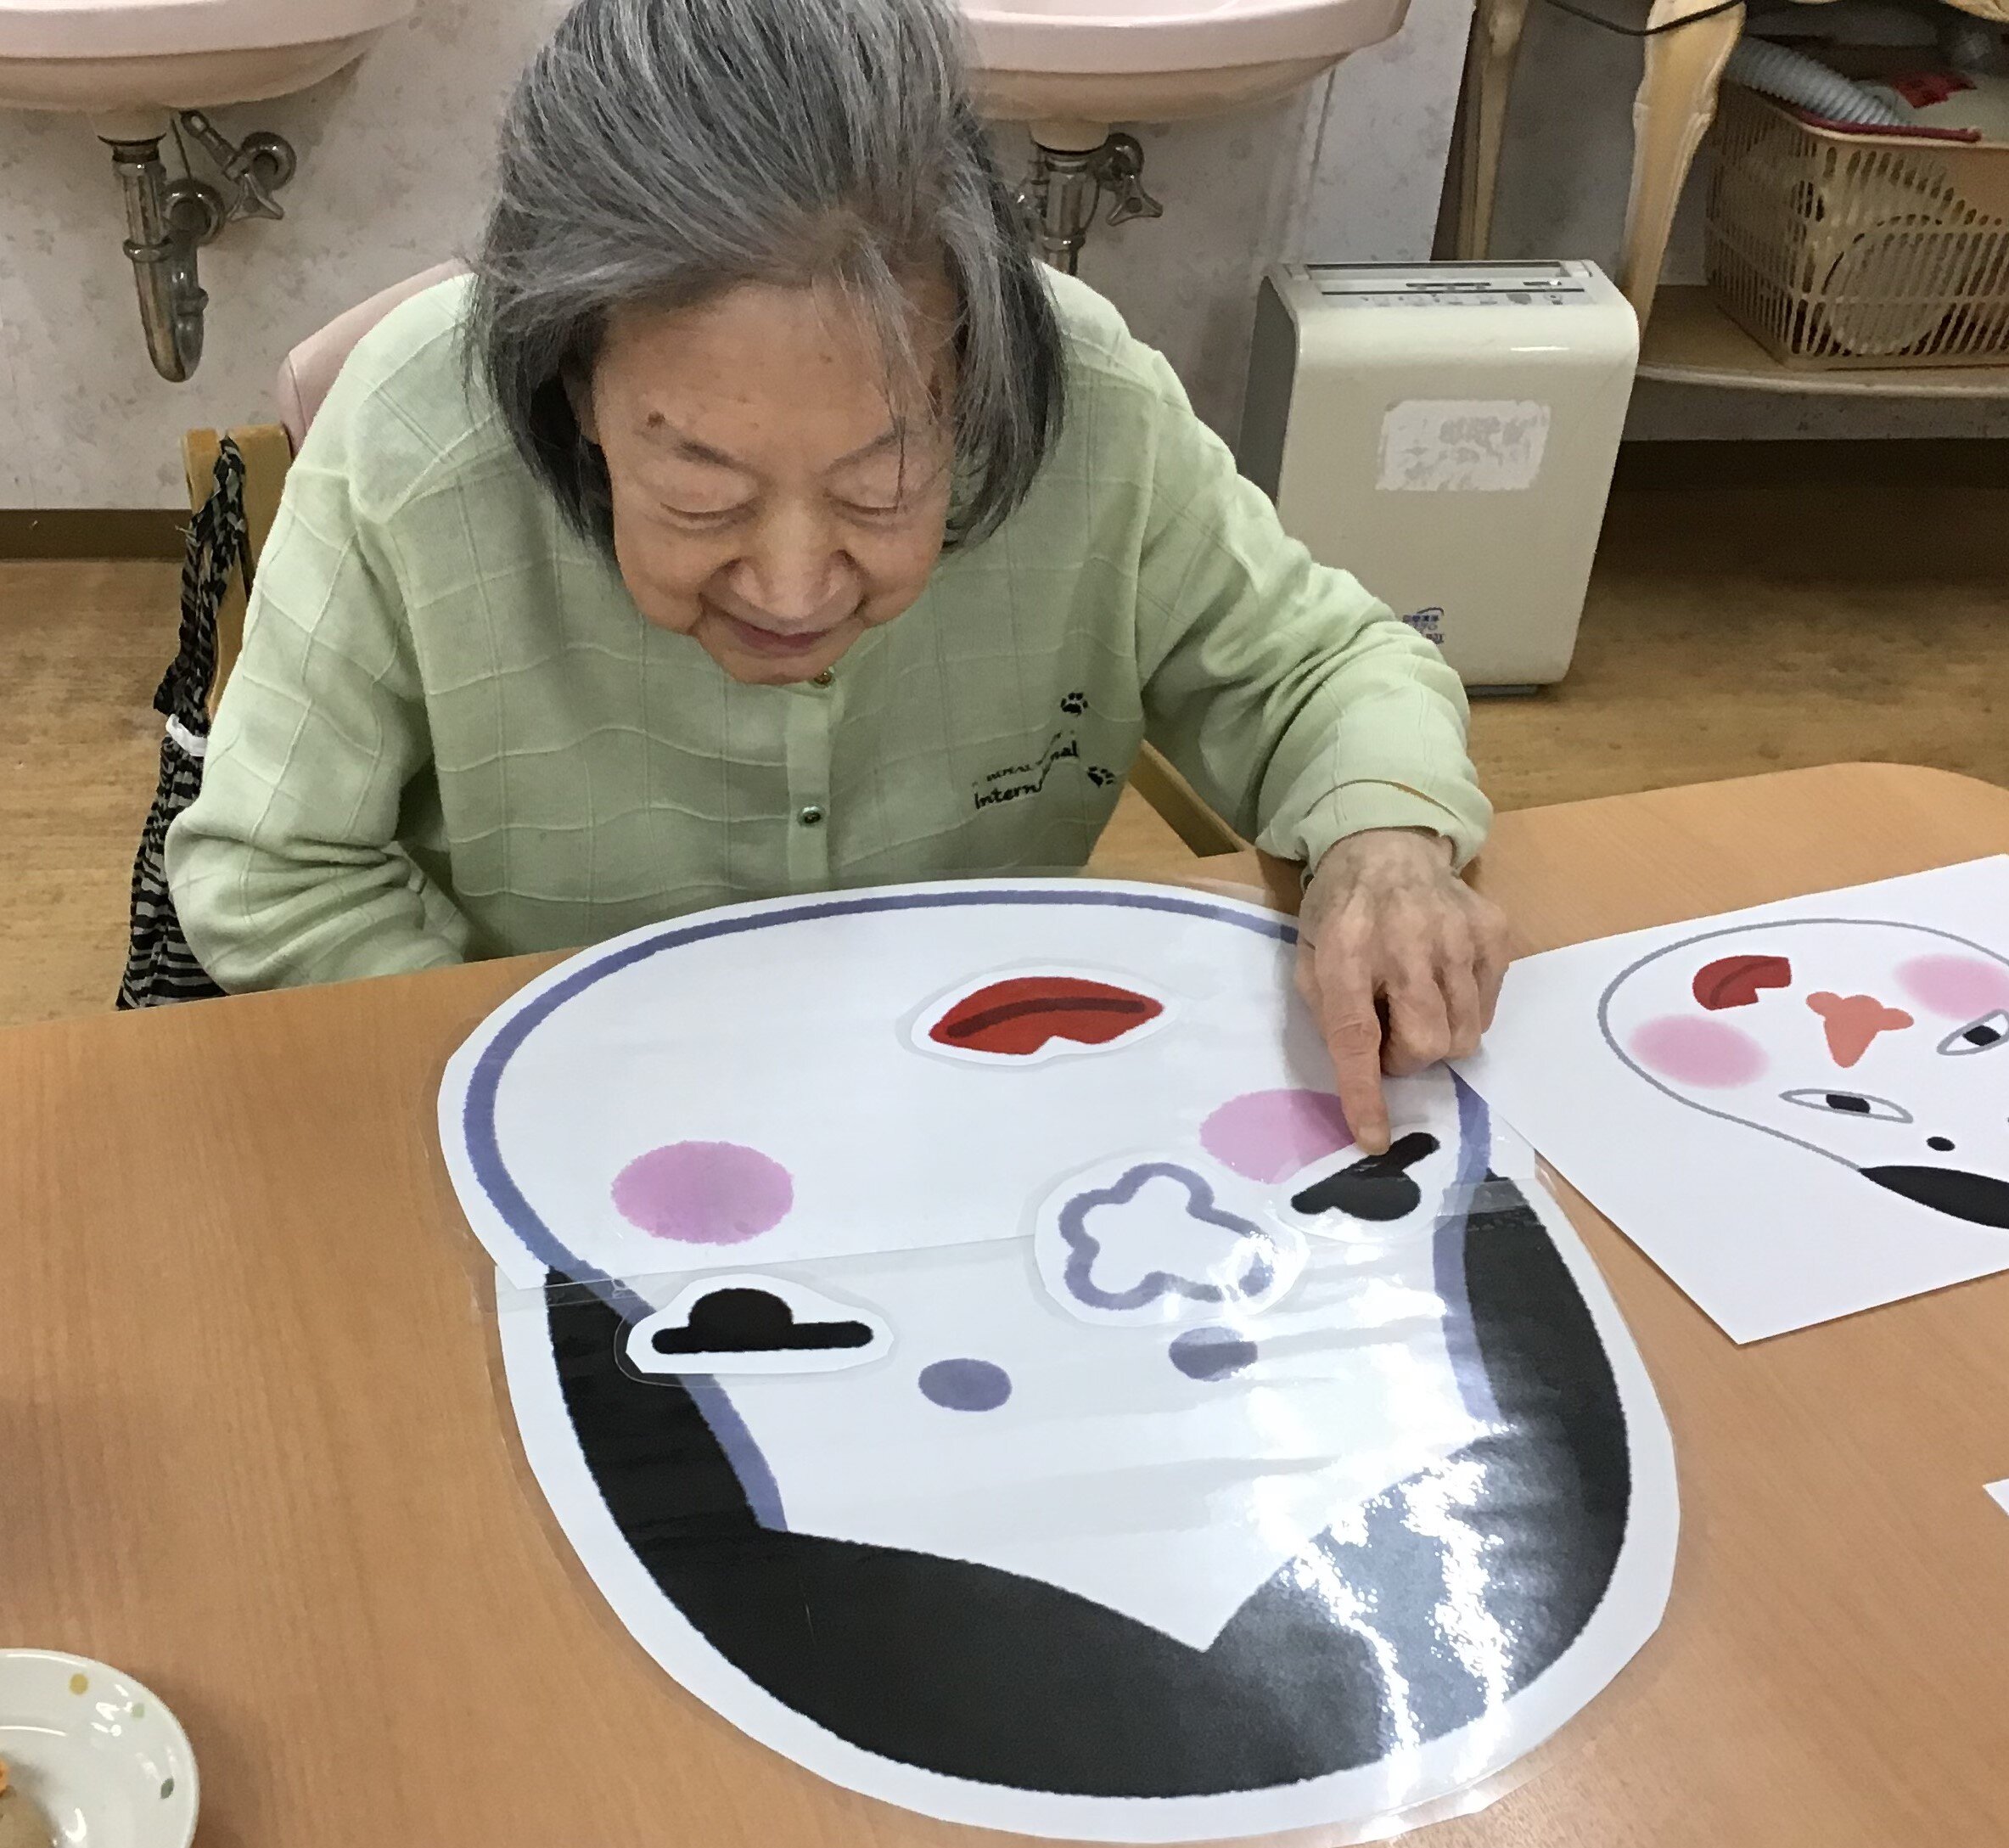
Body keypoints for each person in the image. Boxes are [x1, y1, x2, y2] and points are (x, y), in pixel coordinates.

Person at [166, 0, 1507, 1152]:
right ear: (573, 383)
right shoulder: (415, 440)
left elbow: (1322, 671)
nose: (797, 587)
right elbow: (276, 876)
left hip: (975, 1107)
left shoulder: (1087, 398)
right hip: (571, 1129)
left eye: (883, 485)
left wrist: (1383, 847)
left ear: (971, 361)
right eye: (703, 496)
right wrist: (538, 1078)